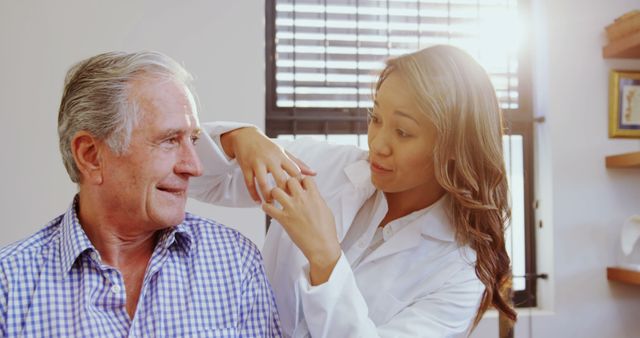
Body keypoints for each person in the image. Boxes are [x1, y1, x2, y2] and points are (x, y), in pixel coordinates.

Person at [189, 45, 517, 337]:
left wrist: (325, 256)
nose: (378, 144)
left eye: (403, 132)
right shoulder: (325, 167)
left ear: (453, 148)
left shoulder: (458, 271)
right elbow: (199, 178)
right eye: (376, 118)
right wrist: (240, 138)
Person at [0, 51, 281, 337]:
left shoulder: (235, 262)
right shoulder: (9, 288)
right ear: (91, 156)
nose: (194, 167)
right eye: (170, 140)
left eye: (193, 140)